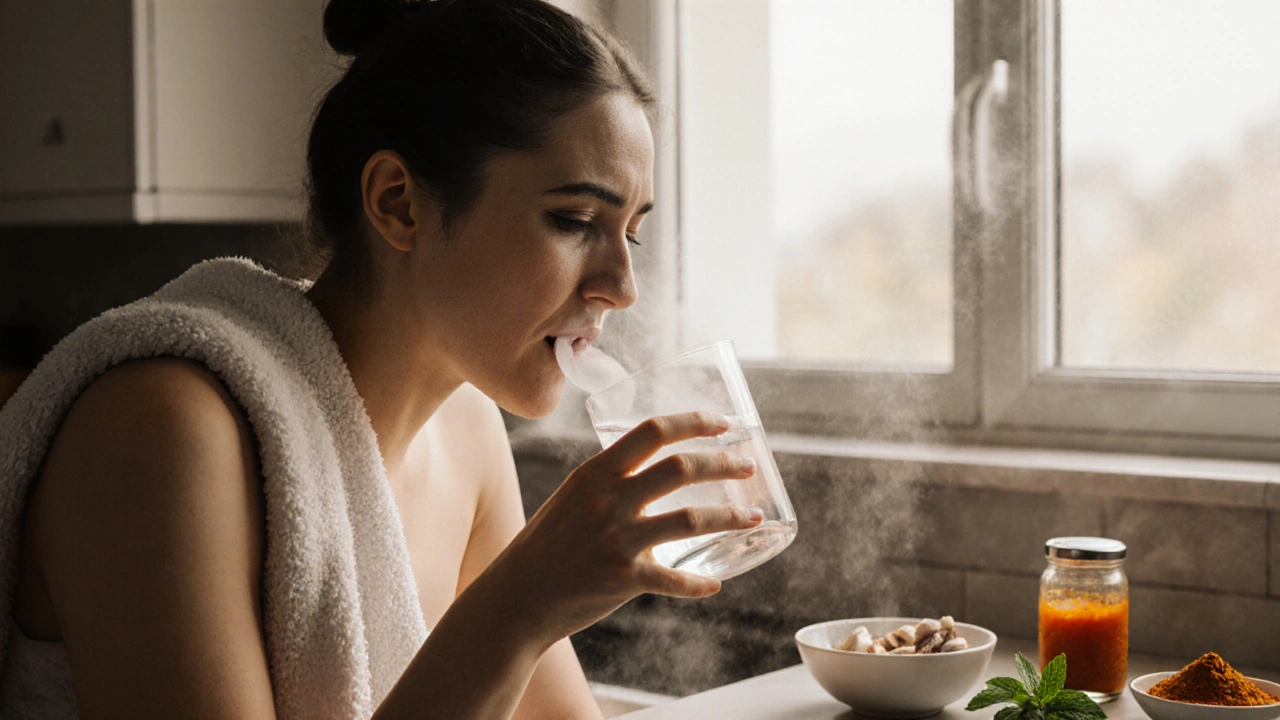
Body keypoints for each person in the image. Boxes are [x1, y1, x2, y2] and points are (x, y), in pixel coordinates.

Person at [0, 0, 763, 718]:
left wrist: (537, 599)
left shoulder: (467, 430)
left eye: (630, 232)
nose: (622, 288)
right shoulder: (162, 431)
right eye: (574, 220)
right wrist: (523, 604)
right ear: (398, 202)